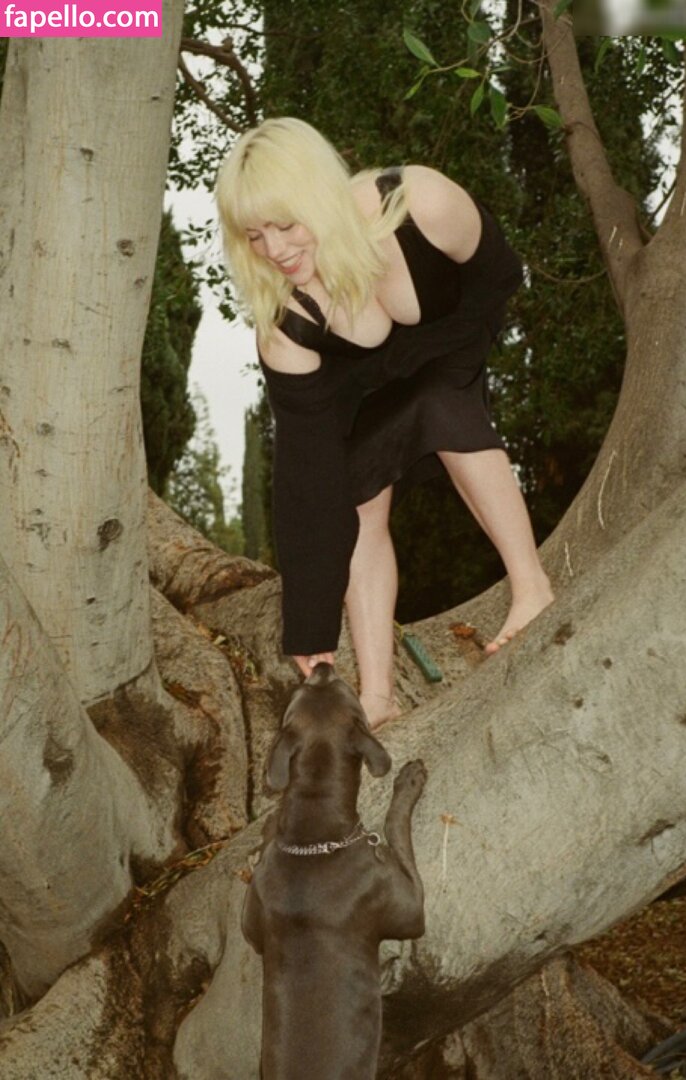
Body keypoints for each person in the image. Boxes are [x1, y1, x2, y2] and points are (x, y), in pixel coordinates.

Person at [216, 117, 553, 728]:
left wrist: (462, 359)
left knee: (441, 399)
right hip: (367, 389)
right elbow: (305, 470)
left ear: (319, 194)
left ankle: (531, 588)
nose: (276, 250)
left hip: (452, 334)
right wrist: (310, 623)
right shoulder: (287, 330)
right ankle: (378, 696)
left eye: (286, 225)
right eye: (255, 235)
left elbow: (499, 272)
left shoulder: (418, 202)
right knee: (354, 487)